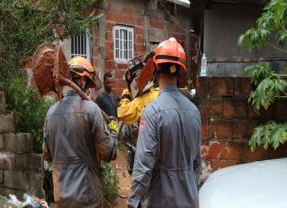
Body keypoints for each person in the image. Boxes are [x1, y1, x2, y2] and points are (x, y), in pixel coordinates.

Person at [128, 37, 201, 208]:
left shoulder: (152, 112)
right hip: (190, 200)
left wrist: (133, 202)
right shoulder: (194, 111)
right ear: (180, 72)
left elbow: (144, 164)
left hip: (162, 201)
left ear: (155, 70)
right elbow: (196, 163)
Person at [43, 56, 117, 208]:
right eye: (89, 84)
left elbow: (47, 154)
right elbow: (108, 153)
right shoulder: (91, 110)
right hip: (88, 198)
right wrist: (113, 131)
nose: (89, 88)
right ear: (82, 81)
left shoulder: (50, 113)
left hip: (62, 198)